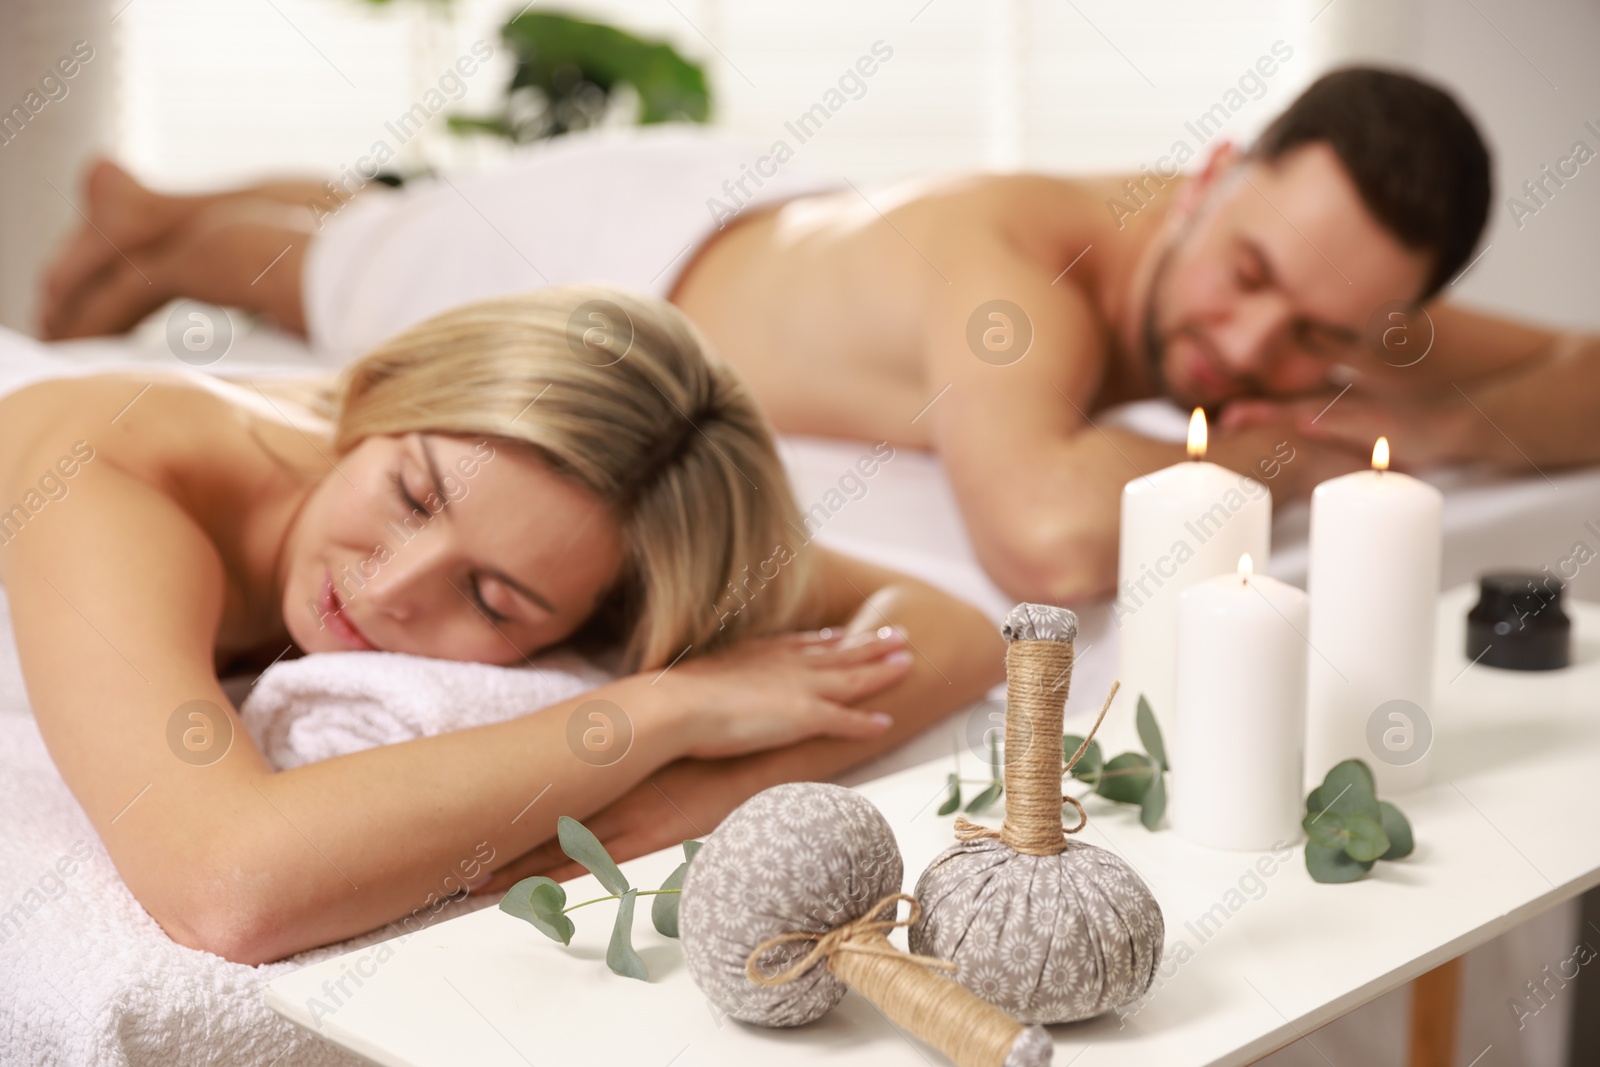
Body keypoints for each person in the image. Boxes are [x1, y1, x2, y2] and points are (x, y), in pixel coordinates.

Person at [36, 67, 1600, 606]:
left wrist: (1448, 421)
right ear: (1208, 178)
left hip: (780, 223)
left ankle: (151, 204)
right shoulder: (1022, 255)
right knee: (352, 253)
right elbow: (1049, 538)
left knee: (378, 214)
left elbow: (1579, 378)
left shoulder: (1319, 275)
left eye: (1322, 328)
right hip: (614, 270)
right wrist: (1308, 444)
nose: (1251, 333)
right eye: (1247, 270)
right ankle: (152, 229)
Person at [0, 285, 1005, 964]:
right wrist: (664, 710)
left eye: (494, 598)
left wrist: (710, 789)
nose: (394, 585)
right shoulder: (105, 473)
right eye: (411, 492)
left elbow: (952, 630)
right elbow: (225, 887)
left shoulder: (603, 523)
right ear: (382, 394)